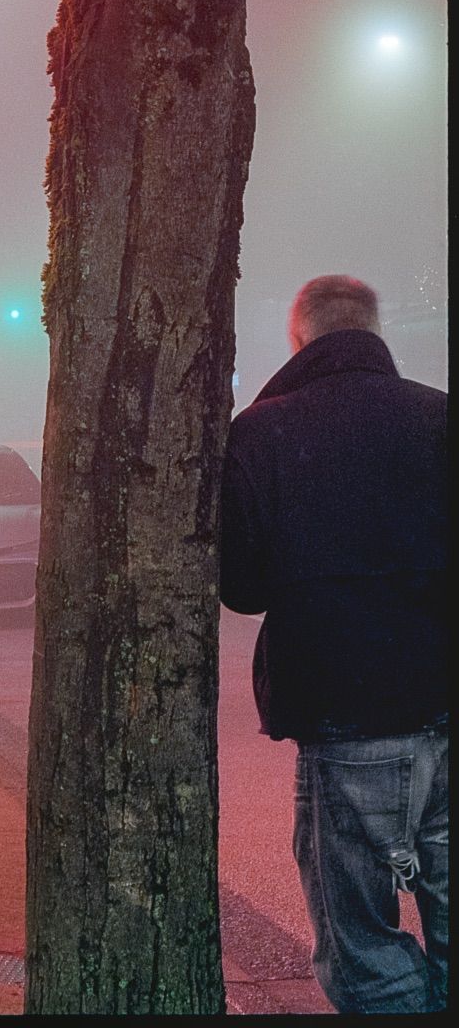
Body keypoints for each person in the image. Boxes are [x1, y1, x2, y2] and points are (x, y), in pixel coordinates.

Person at [220, 274, 448, 1014]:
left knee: (360, 947)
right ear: (374, 333)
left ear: (299, 338)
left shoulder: (263, 431)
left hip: (347, 716)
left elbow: (243, 586)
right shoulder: (440, 418)